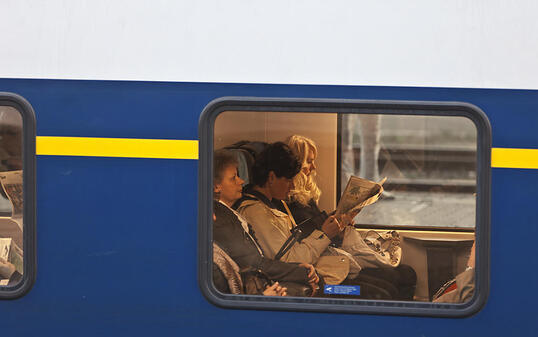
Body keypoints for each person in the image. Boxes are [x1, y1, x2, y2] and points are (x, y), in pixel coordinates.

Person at [284, 135, 416, 300]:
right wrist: (329, 231)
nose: (314, 167)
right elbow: (310, 239)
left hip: (334, 259)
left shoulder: (307, 199)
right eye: (309, 162)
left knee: (407, 274)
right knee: (386, 291)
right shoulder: (287, 204)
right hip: (327, 278)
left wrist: (341, 224)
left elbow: (320, 231)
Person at [235, 142, 356, 286]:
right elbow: (290, 259)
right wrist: (325, 235)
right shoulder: (256, 212)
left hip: (318, 268)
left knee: (378, 283)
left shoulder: (274, 204)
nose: (292, 186)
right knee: (364, 292)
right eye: (288, 180)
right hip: (315, 282)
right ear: (272, 177)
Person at [212, 149, 319, 296]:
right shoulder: (221, 219)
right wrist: (300, 272)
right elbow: (253, 262)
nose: (241, 181)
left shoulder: (230, 214)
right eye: (233, 178)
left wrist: (298, 267)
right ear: (216, 186)